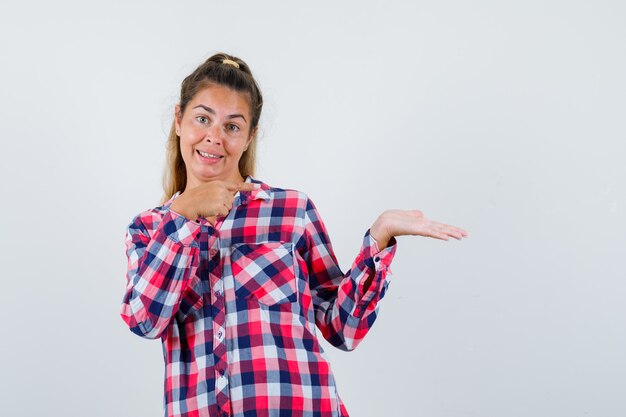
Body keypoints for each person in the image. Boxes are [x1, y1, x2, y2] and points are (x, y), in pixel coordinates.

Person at [120, 52, 468, 417]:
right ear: (179, 120)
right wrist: (183, 214)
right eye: (202, 118)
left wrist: (379, 237)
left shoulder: (291, 212)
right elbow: (145, 321)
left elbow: (343, 329)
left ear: (251, 134)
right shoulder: (150, 228)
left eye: (233, 126)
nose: (214, 138)